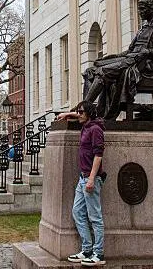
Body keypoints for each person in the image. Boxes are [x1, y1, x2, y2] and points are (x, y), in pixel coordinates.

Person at [58, 101, 106, 266]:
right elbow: (78, 114)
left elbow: (98, 155)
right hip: (82, 177)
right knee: (77, 212)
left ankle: (98, 254)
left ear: (89, 114)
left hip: (91, 178)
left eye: (81, 112)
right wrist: (66, 115)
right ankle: (86, 249)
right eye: (77, 111)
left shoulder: (95, 129)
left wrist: (92, 179)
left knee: (95, 217)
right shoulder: (86, 125)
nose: (78, 114)